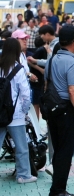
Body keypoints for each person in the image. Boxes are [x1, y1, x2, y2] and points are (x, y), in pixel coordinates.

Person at [45, 25, 74, 196]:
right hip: (66, 109)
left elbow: (47, 85)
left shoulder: (52, 59)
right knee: (65, 151)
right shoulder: (71, 62)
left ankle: (57, 188)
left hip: (52, 109)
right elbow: (73, 91)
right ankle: (58, 190)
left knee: (58, 149)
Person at [0, 38, 33, 184]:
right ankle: (23, 175)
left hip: (0, 112)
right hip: (15, 113)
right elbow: (26, 94)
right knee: (21, 146)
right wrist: (24, 111)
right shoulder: (19, 69)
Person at [28, 24, 55, 123]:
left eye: (42, 35)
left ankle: (37, 125)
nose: (41, 37)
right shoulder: (47, 47)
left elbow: (50, 61)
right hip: (42, 80)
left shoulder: (51, 47)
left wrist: (40, 69)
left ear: (47, 34)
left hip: (41, 81)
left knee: (37, 103)